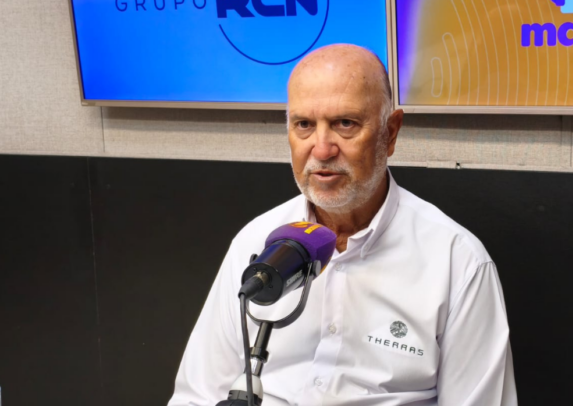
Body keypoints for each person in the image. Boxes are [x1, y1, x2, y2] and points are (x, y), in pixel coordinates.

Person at [168, 44, 517, 406]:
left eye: (345, 124)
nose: (321, 150)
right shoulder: (255, 240)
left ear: (390, 132)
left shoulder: (458, 261)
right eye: (304, 125)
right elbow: (198, 395)